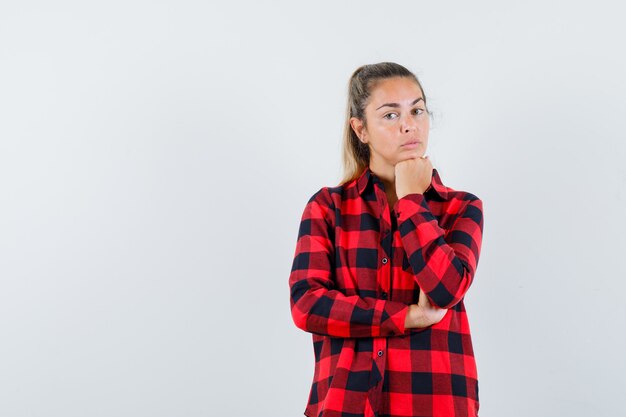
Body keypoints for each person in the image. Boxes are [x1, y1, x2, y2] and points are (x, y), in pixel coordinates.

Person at [288, 62, 484, 417]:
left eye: (417, 110)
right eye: (391, 115)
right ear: (360, 129)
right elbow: (307, 305)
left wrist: (412, 201)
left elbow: (445, 290)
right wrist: (408, 316)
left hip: (434, 404)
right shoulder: (327, 208)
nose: (409, 124)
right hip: (346, 402)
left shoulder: (460, 208)